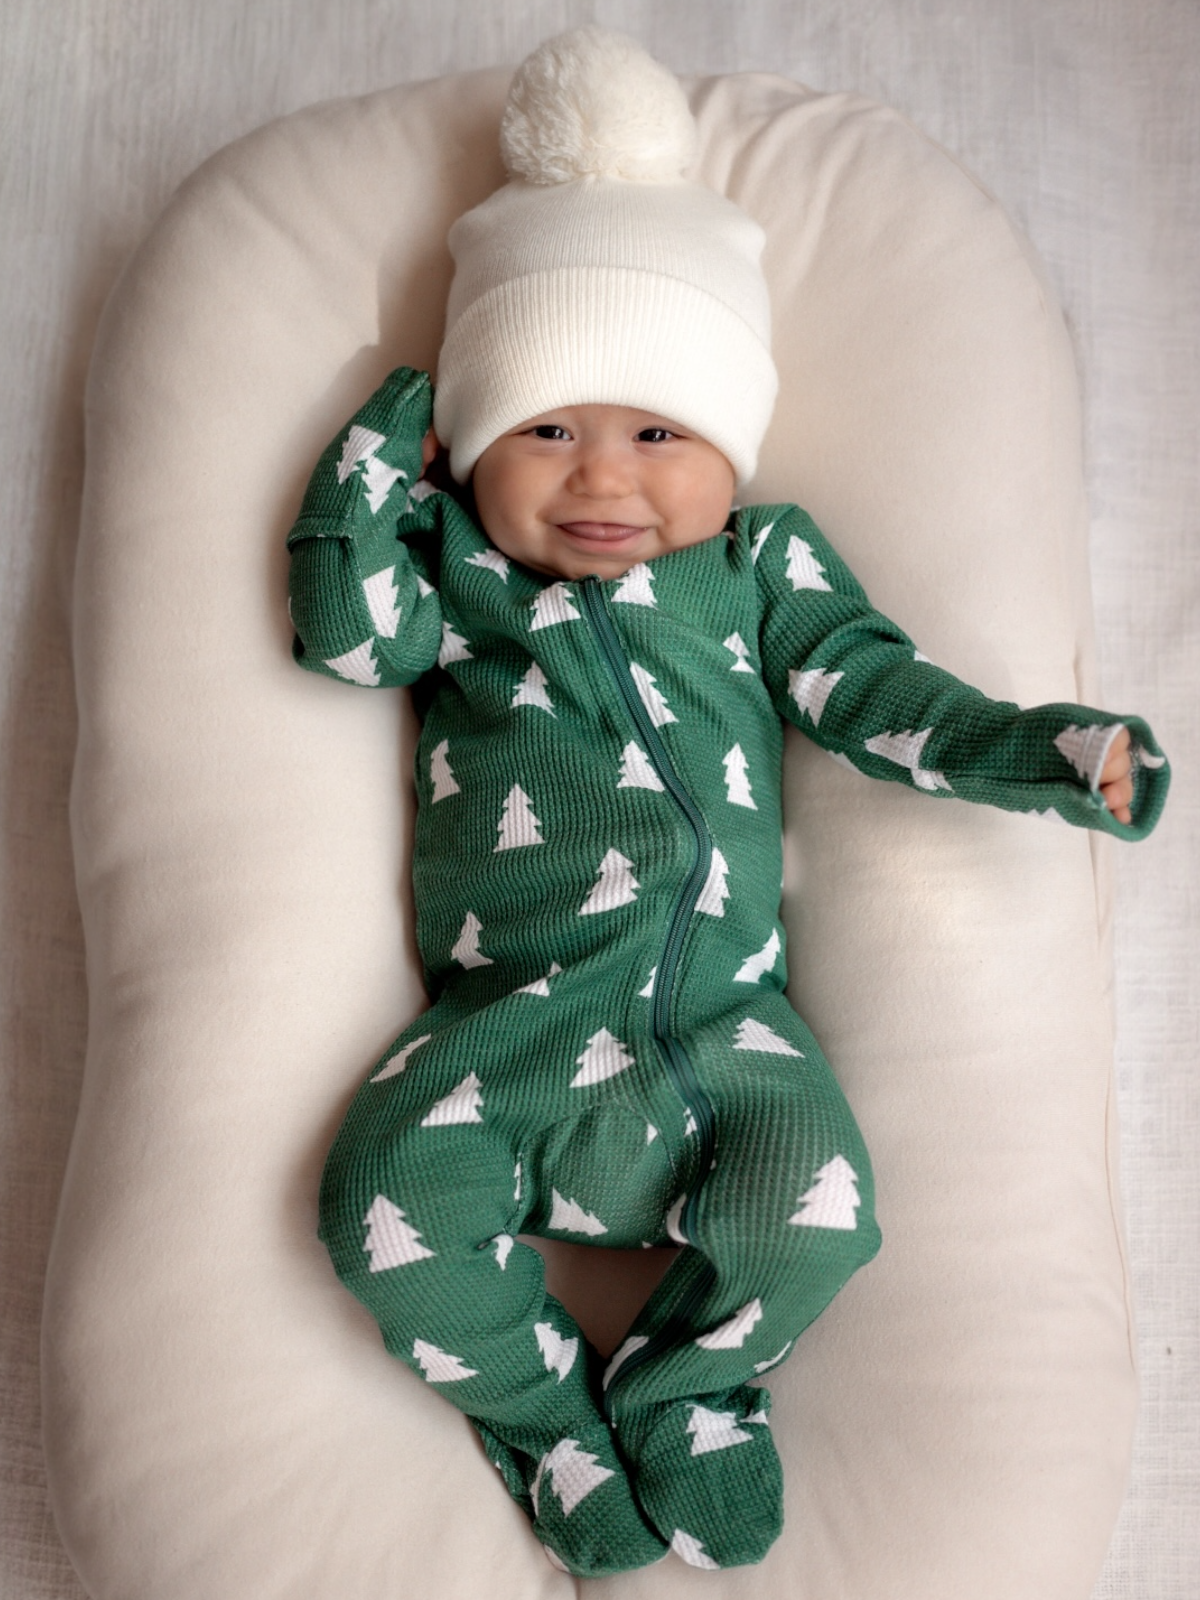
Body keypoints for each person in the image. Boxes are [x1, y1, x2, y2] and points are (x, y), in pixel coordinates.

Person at [285, 27, 1169, 1579]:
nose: (601, 478)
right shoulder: (463, 576)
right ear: (478, 446)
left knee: (817, 1215)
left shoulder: (760, 566)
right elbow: (345, 638)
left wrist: (1049, 753)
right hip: (508, 1020)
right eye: (545, 424)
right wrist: (392, 430)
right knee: (374, 1202)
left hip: (726, 1031)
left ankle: (689, 1385)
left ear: (728, 444)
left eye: (657, 430)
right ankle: (545, 1420)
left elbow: (878, 694)